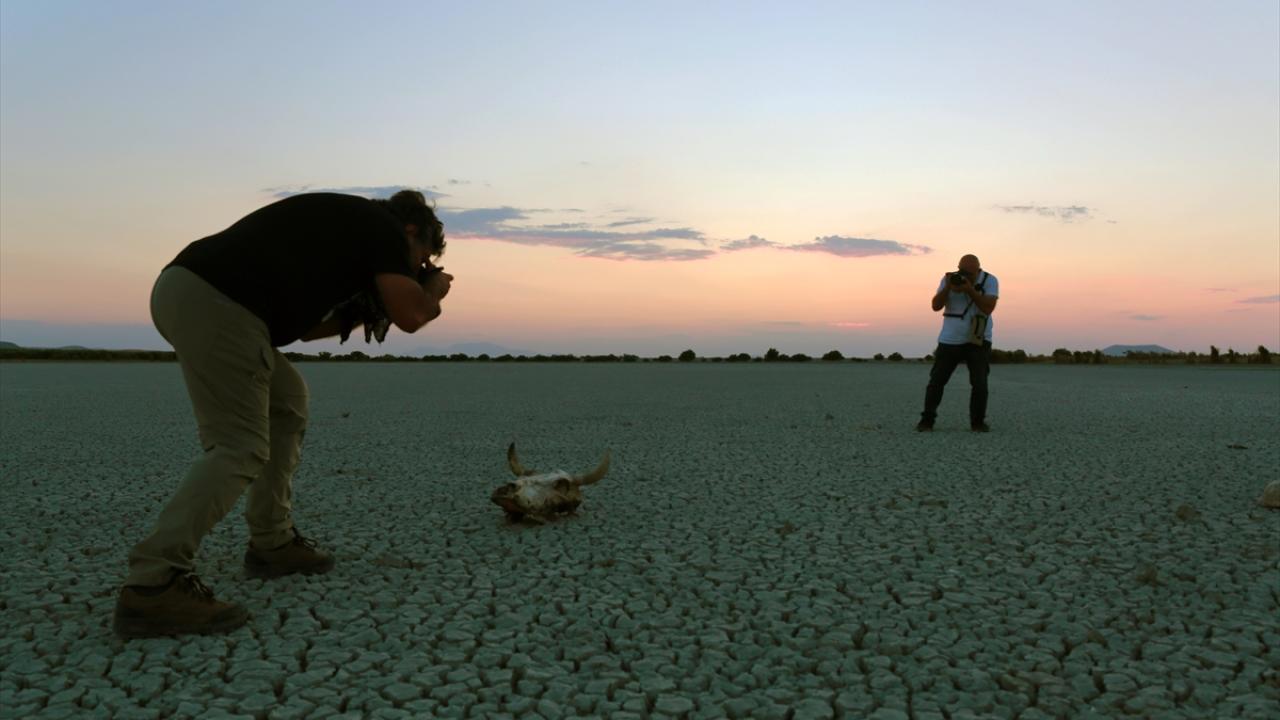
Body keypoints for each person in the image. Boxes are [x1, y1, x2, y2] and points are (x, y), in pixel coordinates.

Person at [113, 190, 453, 639]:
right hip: (217, 299)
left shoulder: (345, 238)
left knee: (286, 401)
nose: (416, 268)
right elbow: (411, 314)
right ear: (413, 231)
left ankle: (272, 544)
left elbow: (304, 332)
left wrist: (362, 309)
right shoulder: (383, 228)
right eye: (421, 258)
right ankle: (153, 585)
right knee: (240, 445)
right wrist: (430, 292)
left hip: (198, 292)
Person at [917, 254, 999, 432]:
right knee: (937, 381)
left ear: (978, 270)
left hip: (978, 340)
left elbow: (988, 308)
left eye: (969, 273)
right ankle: (927, 421)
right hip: (950, 339)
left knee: (979, 383)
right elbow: (936, 306)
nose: (963, 276)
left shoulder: (990, 280)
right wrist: (947, 288)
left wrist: (969, 290)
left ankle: (977, 423)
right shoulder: (948, 279)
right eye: (961, 272)